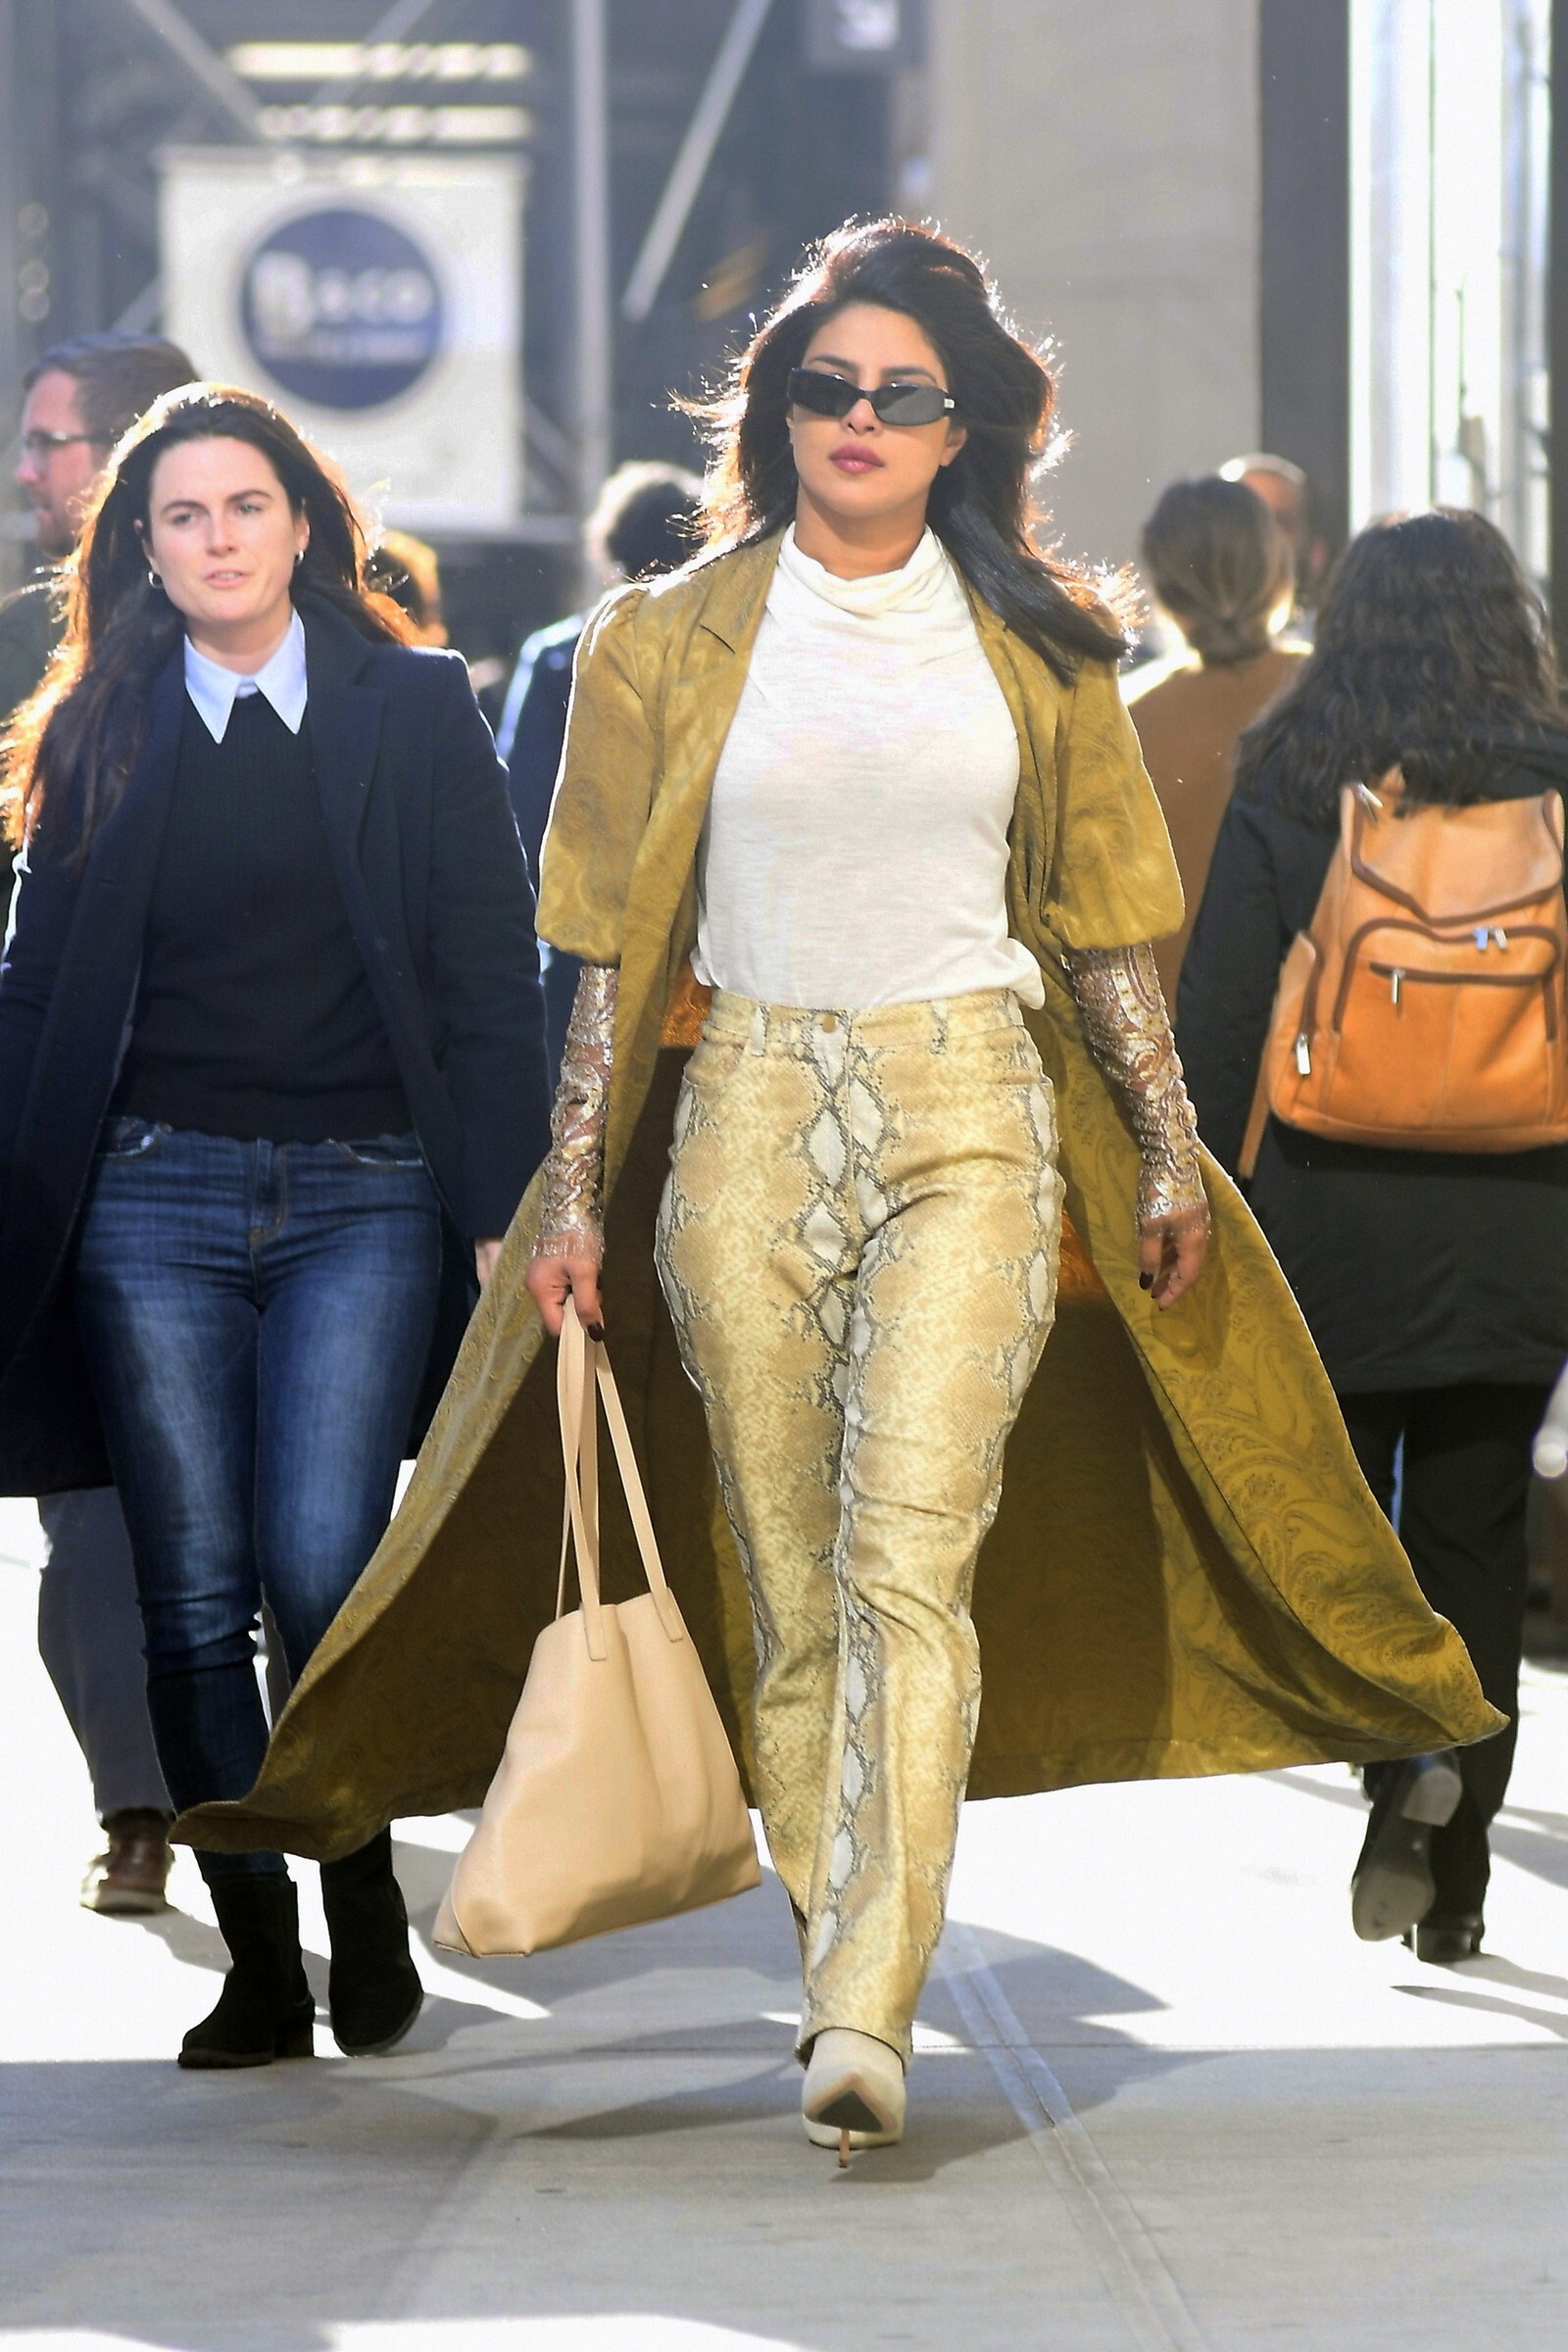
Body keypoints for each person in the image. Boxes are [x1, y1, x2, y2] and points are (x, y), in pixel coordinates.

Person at [181, 223, 1494, 2163]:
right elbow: (602, 955)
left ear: (963, 427)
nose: (859, 418)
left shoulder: (1044, 648)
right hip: (744, 1113)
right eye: (825, 388)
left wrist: (1159, 1144)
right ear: (778, 412)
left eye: (901, 393)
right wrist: (570, 1191)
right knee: (788, 1588)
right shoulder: (658, 639)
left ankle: (870, 1990)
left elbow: (1103, 929)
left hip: (971, 1107)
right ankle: (834, 1953)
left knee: (907, 1557)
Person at [0, 383, 549, 2068]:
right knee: (188, 1595)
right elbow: (32, 989)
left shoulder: (413, 705)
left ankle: (361, 1897)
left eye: (246, 505)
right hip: (147, 1198)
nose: (218, 538)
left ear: (304, 523)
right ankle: (258, 1961)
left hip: (364, 1193)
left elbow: (489, 966)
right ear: (142, 549)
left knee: (322, 1570)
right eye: (183, 515)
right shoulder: (100, 725)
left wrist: (502, 1205)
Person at [1177, 507, 1568, 1964]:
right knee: (1475, 1531)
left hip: (1329, 1211)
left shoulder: (1296, 766)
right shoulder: (1558, 772)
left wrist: (1185, 1188)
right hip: (1525, 1212)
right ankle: (1454, 1884)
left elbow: (1222, 1007)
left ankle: (1400, 1756)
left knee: (1337, 1529)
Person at [2, 331, 197, 1915]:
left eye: (54, 442)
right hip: (72, 1138)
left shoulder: (313, 640)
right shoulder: (30, 647)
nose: (27, 470)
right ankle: (138, 1802)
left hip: (276, 1142)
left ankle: (260, 1780)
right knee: (96, 1513)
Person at [496, 462, 702, 1082]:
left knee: (580, 1107)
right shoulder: (716, 655)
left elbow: (523, 802)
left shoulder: (560, 654)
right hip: (693, 936)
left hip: (584, 931)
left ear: (609, 546)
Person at [1125, 475, 1306, 1001]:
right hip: (1308, 1021)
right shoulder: (1341, 693)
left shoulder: (1121, 720)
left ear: (1161, 587)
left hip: (1170, 1028)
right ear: (1276, 569)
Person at [1219, 451, 1329, 624]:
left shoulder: (1330, 637)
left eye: (1279, 522)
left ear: (1316, 551)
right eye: (1244, 520)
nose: (1260, 536)